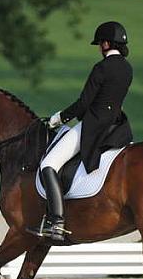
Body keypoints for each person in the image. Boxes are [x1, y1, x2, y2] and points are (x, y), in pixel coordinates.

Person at [38, 21, 134, 243]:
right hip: (116, 126)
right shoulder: (127, 69)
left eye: (101, 43)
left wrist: (58, 118)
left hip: (94, 125)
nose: (100, 47)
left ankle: (56, 221)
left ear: (106, 43)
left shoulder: (102, 68)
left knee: (48, 164)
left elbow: (83, 104)